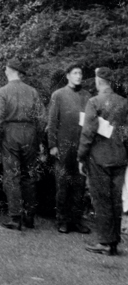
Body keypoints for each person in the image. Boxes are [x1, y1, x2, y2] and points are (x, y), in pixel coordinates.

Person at [78, 67, 128, 256]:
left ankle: (105, 242)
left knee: (101, 200)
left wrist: (81, 156)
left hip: (99, 157)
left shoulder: (94, 102)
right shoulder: (124, 103)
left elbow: (88, 132)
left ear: (99, 81)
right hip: (119, 157)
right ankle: (113, 242)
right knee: (115, 200)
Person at [0, 58, 45, 230]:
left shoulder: (2, 91)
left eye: (6, 69)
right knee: (29, 176)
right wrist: (38, 141)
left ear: (10, 70)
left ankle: (15, 218)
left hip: (11, 133)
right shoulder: (33, 92)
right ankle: (29, 217)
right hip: (30, 134)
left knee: (12, 176)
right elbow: (41, 119)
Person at [47, 63, 92, 234]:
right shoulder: (58, 95)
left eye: (80, 73)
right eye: (75, 73)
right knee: (63, 184)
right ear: (67, 76)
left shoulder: (87, 96)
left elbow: (90, 123)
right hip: (63, 145)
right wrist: (52, 145)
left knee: (79, 185)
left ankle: (77, 220)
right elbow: (52, 122)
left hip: (80, 147)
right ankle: (62, 220)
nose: (78, 76)